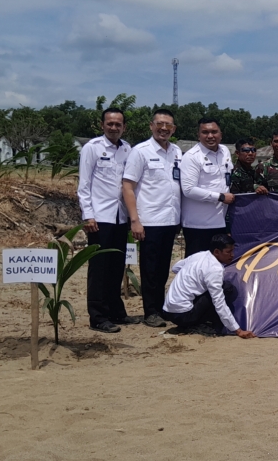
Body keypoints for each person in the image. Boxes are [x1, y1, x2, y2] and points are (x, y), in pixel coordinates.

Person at [121, 109, 183, 328]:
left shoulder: (177, 151)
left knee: (163, 268)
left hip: (171, 220)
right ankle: (151, 312)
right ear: (151, 126)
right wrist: (135, 220)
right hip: (150, 221)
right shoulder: (140, 152)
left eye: (168, 125)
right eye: (160, 124)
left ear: (173, 129)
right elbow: (128, 186)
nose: (163, 129)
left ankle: (160, 307)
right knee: (150, 269)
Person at [78, 107, 136, 333]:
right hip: (99, 217)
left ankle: (116, 312)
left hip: (120, 217)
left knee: (116, 266)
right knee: (99, 269)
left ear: (124, 127)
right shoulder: (92, 148)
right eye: (110, 124)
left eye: (118, 124)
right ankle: (98, 316)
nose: (114, 127)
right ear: (102, 125)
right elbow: (84, 185)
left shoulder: (127, 149)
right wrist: (88, 215)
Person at [161, 233, 256, 338]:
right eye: (228, 252)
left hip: (168, 311)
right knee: (226, 288)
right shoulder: (214, 269)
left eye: (233, 251)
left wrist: (191, 276)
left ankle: (191, 321)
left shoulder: (200, 255)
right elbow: (219, 303)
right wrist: (238, 330)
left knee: (215, 288)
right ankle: (198, 324)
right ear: (217, 252)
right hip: (184, 315)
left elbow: (175, 268)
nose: (232, 255)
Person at [180, 117, 235, 257]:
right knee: (198, 265)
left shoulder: (225, 151)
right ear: (198, 135)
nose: (210, 136)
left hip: (220, 222)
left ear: (221, 134)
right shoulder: (192, 156)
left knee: (218, 264)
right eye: (205, 132)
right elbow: (188, 189)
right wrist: (220, 197)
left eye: (214, 132)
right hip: (199, 225)